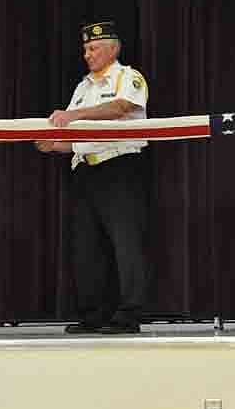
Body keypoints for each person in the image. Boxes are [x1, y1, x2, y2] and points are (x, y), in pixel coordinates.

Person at [35, 21, 149, 334]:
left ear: (114, 49)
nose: (88, 54)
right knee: (87, 246)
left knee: (125, 241)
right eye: (85, 49)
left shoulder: (128, 76)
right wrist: (54, 146)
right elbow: (75, 136)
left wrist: (73, 116)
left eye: (94, 47)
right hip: (84, 168)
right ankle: (95, 314)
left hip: (119, 167)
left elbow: (121, 107)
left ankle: (128, 313)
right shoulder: (83, 87)